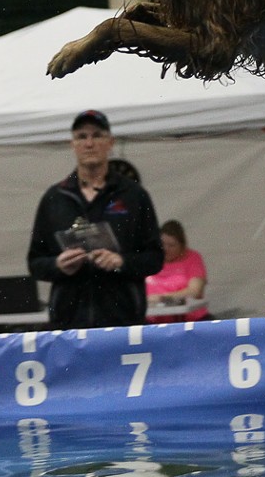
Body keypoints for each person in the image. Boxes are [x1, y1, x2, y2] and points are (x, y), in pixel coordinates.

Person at [27, 109, 163, 329]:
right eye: (81, 137)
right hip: (68, 322)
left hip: (122, 320)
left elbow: (155, 258)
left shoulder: (134, 195)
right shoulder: (54, 199)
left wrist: (122, 262)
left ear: (110, 143)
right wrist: (58, 265)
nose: (89, 144)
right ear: (72, 144)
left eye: (97, 135)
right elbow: (35, 263)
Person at [145, 219, 210, 323]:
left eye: (171, 245)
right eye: (162, 244)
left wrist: (162, 298)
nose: (165, 249)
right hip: (153, 321)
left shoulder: (192, 258)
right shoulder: (150, 259)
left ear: (182, 246)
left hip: (189, 320)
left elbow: (195, 291)